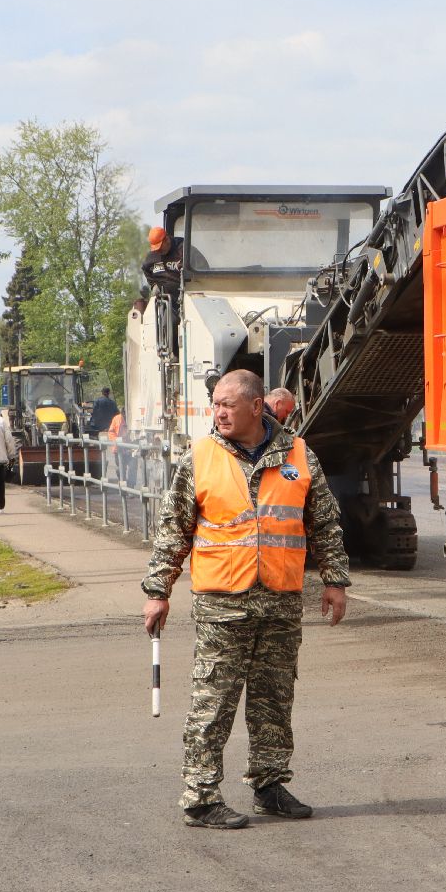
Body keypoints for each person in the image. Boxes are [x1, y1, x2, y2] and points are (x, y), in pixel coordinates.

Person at [142, 369, 350, 830]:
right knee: (213, 702)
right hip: (222, 603)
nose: (218, 412)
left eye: (227, 404)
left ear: (257, 407)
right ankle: (199, 797)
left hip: (279, 601)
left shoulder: (298, 453)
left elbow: (325, 523)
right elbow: (172, 529)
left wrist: (334, 581)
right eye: (215, 404)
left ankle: (269, 784)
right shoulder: (199, 457)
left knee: (274, 699)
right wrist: (158, 591)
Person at [141, 227, 184, 291]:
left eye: (159, 247)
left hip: (183, 292)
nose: (158, 251)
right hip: (163, 297)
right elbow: (145, 268)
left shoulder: (183, 249)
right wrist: (153, 284)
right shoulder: (153, 255)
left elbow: (199, 269)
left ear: (167, 239)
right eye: (156, 248)